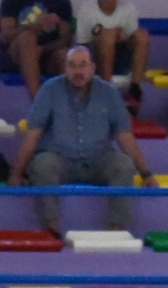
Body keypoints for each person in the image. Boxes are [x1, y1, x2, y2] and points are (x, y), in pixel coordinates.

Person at [9, 46, 157, 234]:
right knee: (42, 164)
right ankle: (50, 230)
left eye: (83, 65)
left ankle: (117, 231)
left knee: (124, 165)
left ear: (93, 68)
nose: (78, 71)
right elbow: (33, 134)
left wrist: (146, 173)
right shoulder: (49, 90)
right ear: (65, 68)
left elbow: (125, 136)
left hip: (99, 159)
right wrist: (16, 173)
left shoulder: (109, 93)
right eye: (72, 65)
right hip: (60, 158)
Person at [0, 0, 73, 98]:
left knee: (66, 55)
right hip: (16, 56)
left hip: (47, 56)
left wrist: (42, 50)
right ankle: (38, 106)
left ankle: (67, 110)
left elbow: (66, 40)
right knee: (27, 37)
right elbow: (6, 36)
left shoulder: (62, 1)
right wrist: (32, 27)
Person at [77, 0, 149, 110]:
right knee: (108, 36)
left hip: (122, 56)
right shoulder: (87, 9)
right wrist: (108, 35)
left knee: (142, 35)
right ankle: (106, 89)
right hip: (95, 58)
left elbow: (134, 41)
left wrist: (121, 37)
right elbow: (82, 45)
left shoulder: (128, 9)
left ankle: (135, 90)